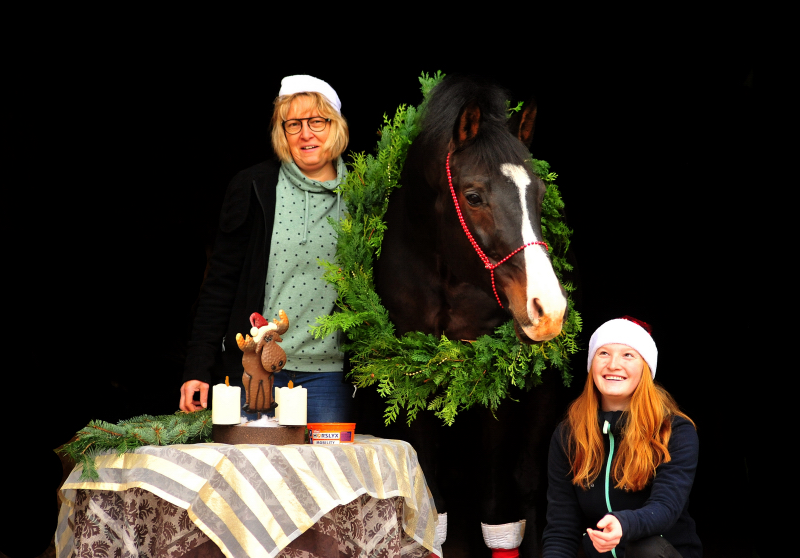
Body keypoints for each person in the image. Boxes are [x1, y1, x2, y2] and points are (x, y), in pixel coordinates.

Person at [179, 75, 354, 423]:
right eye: (294, 124)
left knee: (326, 476)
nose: (306, 134)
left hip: (328, 378)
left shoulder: (362, 194)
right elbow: (220, 284)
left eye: (317, 121)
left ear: (335, 126)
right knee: (250, 477)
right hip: (255, 371)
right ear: (282, 132)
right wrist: (197, 366)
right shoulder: (254, 187)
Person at [542, 317, 701, 558]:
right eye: (603, 353)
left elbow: (666, 507)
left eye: (628, 355)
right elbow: (561, 527)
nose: (613, 365)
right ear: (591, 364)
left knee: (645, 548)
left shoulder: (674, 430)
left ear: (646, 368)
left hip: (659, 554)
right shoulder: (569, 434)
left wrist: (623, 525)